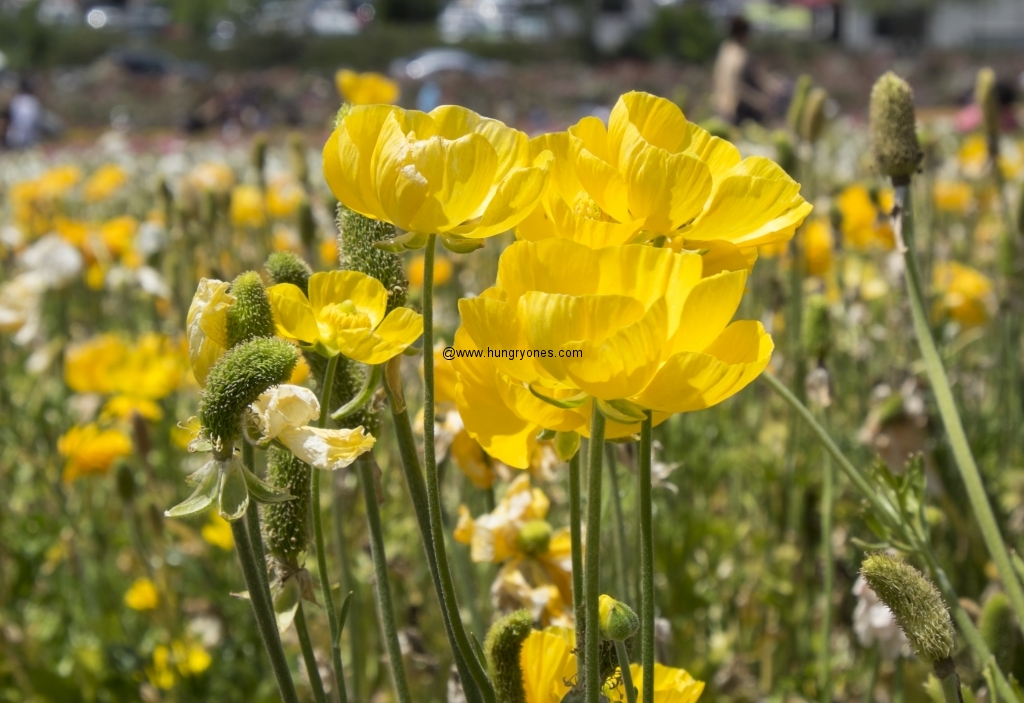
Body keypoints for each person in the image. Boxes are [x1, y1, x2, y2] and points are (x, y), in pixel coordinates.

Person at [712, 17, 774, 125]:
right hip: (734, 110)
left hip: (719, 106)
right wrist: (759, 102)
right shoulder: (740, 55)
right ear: (744, 34)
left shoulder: (725, 49)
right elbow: (736, 86)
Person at [5, 77, 42, 149]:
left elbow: (9, 118)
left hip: (15, 138)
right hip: (28, 139)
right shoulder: (34, 102)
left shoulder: (16, 100)